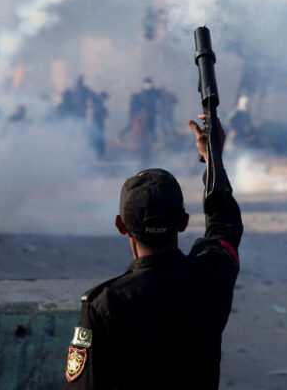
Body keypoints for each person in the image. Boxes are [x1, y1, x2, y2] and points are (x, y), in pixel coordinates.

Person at [63, 117, 242, 389]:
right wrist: (212, 157)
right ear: (183, 222)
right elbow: (225, 227)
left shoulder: (105, 305)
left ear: (121, 226)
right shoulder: (212, 276)